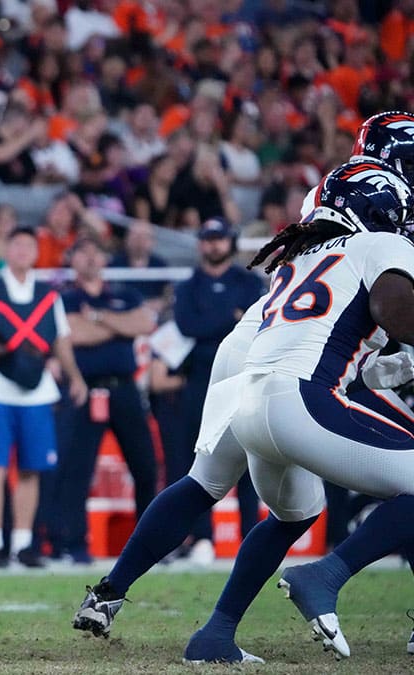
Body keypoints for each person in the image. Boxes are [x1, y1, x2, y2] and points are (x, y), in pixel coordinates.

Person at [74, 159, 414, 663]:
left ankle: (198, 626)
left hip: (250, 382)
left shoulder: (297, 258)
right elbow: (383, 316)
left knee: (240, 493)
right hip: (299, 393)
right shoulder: (380, 247)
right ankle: (327, 573)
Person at [0, 227, 87, 568]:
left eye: (29, 246)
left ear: (37, 253)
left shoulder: (48, 295)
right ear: (7, 251)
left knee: (31, 469)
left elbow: (61, 340)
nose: (23, 251)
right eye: (18, 245)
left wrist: (76, 377)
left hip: (37, 390)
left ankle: (23, 543)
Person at [51, 239, 157, 561]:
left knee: (145, 466)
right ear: (72, 260)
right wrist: (118, 325)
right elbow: (72, 333)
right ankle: (74, 543)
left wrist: (97, 317)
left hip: (124, 388)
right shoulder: (66, 298)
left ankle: (150, 544)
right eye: (83, 252)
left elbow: (145, 323)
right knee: (77, 469)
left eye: (95, 251)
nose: (90, 258)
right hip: (85, 388)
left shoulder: (126, 293)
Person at [168, 217, 266, 561]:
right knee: (200, 460)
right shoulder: (189, 285)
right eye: (208, 238)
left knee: (249, 459)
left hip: (241, 378)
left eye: (219, 238)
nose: (214, 245)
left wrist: (216, 320)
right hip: (200, 382)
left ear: (231, 241)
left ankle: (251, 537)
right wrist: (231, 317)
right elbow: (187, 325)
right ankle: (202, 538)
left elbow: (258, 323)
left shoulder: (249, 281)